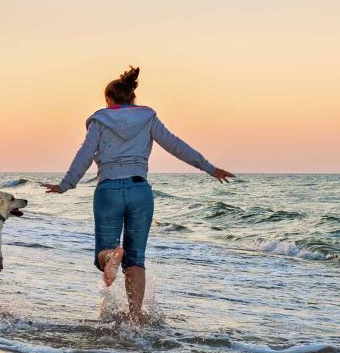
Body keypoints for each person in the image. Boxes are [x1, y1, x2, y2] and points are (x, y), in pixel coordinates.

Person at [44, 67, 234, 324]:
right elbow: (176, 145)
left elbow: (84, 155)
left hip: (109, 190)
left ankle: (110, 256)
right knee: (136, 258)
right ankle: (135, 319)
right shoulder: (147, 118)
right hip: (140, 191)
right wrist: (209, 168)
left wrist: (65, 185)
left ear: (109, 100)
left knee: (105, 251)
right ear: (132, 98)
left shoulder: (100, 121)